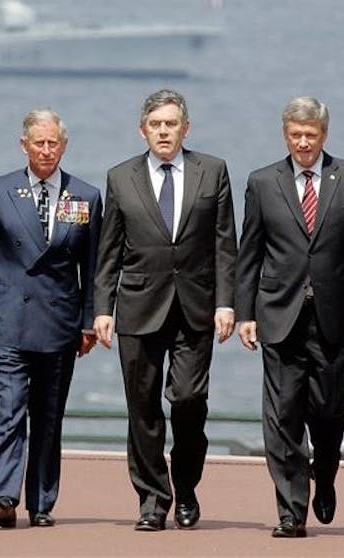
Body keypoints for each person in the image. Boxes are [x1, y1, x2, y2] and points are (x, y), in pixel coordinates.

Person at [93, 89, 237, 531]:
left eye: (171, 124)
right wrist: (102, 307)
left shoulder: (211, 171)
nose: (163, 132)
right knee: (142, 407)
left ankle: (186, 486)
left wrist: (226, 302)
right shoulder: (121, 177)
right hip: (138, 307)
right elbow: (109, 250)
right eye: (155, 125)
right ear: (143, 130)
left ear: (185, 128)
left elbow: (224, 243)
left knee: (190, 400)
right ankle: (153, 500)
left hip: (196, 307)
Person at [235, 97, 344, 538]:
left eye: (310, 135)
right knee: (282, 415)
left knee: (329, 409)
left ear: (324, 135)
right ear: (285, 135)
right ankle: (291, 511)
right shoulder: (262, 182)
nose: (302, 143)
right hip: (279, 314)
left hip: (335, 318)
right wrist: (245, 314)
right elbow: (250, 253)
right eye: (295, 135)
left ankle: (327, 473)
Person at [0, 109, 102, 528]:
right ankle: (2, 495)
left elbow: (92, 268)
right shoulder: (0, 190)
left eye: (52, 143)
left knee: (48, 415)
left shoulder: (86, 197)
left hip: (59, 323)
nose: (45, 151)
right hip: (5, 320)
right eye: (38, 143)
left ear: (64, 145)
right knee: (9, 410)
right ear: (24, 145)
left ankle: (41, 502)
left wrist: (89, 321)